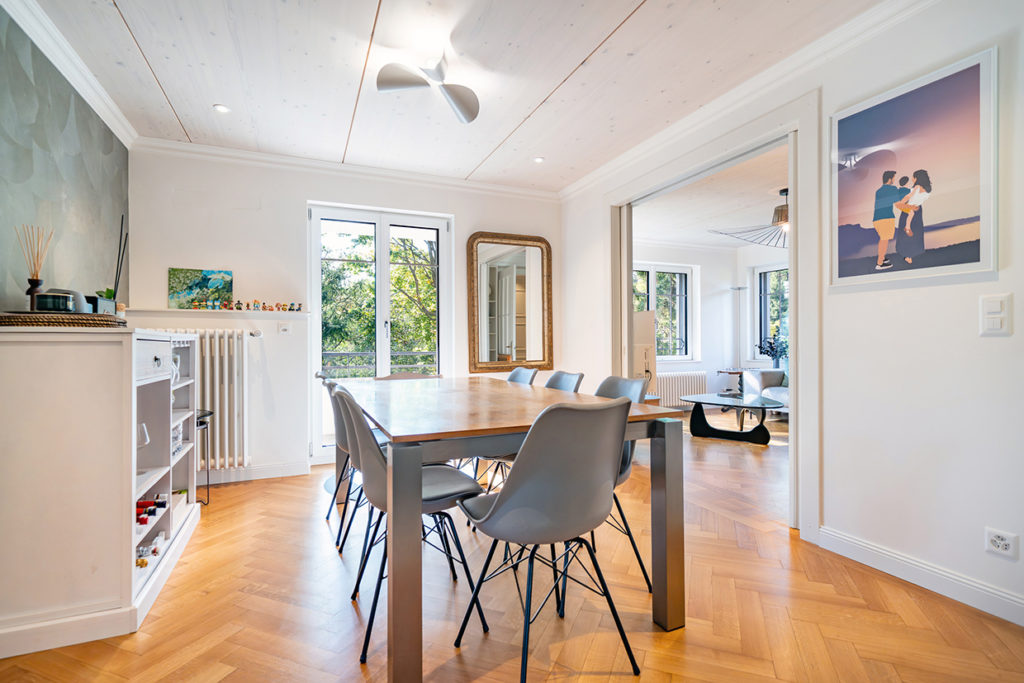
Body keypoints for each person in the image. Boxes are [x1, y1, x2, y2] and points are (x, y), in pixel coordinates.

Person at [894, 169, 932, 265]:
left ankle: (907, 255)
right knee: (916, 232)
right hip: (918, 210)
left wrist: (902, 203)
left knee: (906, 234)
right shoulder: (928, 190)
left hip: (909, 208)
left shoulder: (917, 187)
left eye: (913, 177)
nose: (912, 179)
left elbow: (909, 196)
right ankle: (910, 255)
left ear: (917, 178)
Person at [871, 170, 902, 270]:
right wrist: (909, 208)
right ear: (890, 179)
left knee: (883, 239)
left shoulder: (878, 191)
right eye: (893, 178)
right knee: (884, 240)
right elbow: (898, 204)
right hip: (886, 218)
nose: (894, 180)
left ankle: (882, 258)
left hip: (877, 219)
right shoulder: (892, 188)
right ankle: (879, 264)